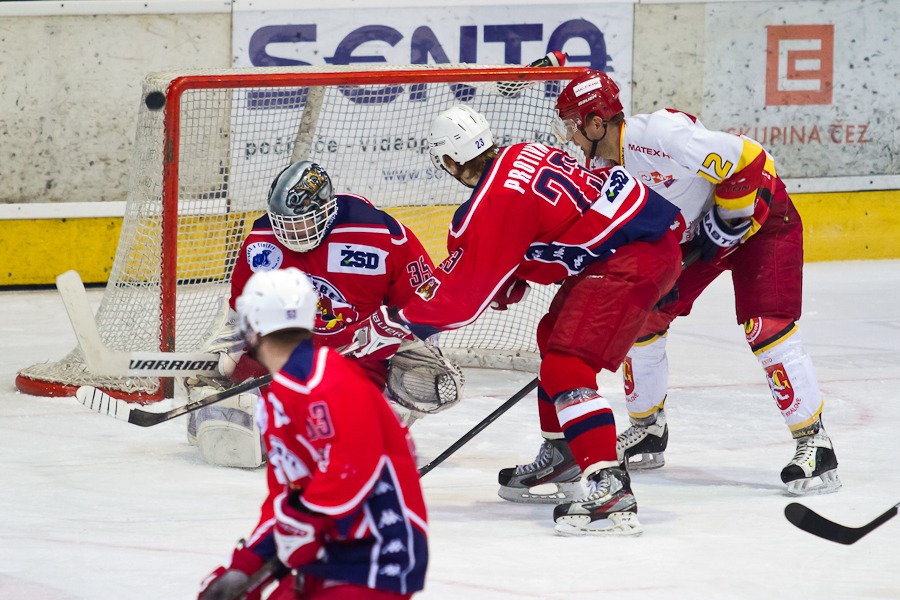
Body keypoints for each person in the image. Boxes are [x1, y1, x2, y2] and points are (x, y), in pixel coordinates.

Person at [349, 104, 683, 536]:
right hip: (645, 241)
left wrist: (397, 323)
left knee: (567, 364)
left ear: (449, 160)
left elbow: (462, 301)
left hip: (631, 258)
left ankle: (609, 487)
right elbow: (554, 224)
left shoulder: (492, 203)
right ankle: (563, 454)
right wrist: (514, 273)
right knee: (551, 337)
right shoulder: (523, 152)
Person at [553, 70, 840, 495]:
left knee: (766, 327)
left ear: (597, 124)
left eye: (573, 126)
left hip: (761, 220)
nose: (570, 137)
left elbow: (750, 159)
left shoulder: (659, 136)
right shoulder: (599, 168)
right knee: (644, 318)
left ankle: (815, 442)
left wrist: (728, 218)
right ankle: (649, 429)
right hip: (701, 238)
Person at [188, 160, 463, 469]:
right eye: (282, 222)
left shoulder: (379, 235)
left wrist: (410, 343)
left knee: (421, 386)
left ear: (325, 210)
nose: (289, 232)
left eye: (300, 222)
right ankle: (228, 413)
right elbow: (241, 314)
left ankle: (372, 417)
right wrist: (225, 352)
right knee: (232, 405)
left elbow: (422, 302)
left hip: (355, 359)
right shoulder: (261, 242)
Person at [198, 268, 428, 599]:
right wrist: (246, 566)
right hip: (326, 554)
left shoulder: (328, 380)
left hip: (376, 557)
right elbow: (287, 495)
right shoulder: (282, 396)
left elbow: (352, 466)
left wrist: (302, 523)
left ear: (251, 330)